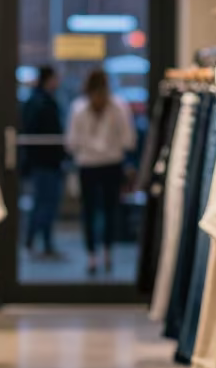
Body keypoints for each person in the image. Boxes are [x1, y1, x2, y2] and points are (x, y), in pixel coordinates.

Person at [65, 68, 137, 275]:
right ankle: (99, 253)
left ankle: (98, 253)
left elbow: (72, 142)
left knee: (99, 211)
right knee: (100, 210)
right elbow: (128, 140)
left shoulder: (115, 107)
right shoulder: (83, 108)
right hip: (100, 164)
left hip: (100, 164)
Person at [21, 65, 65, 257]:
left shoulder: (39, 100)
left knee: (43, 203)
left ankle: (37, 242)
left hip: (45, 162)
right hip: (45, 162)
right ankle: (37, 242)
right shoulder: (41, 102)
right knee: (45, 204)